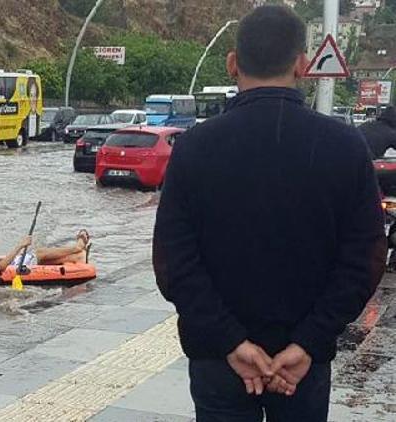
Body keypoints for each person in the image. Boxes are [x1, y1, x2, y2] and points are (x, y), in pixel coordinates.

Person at [153, 6, 385, 422]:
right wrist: (309, 344)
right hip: (302, 365)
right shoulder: (344, 147)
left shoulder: (195, 148)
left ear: (232, 64)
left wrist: (231, 342)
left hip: (217, 360)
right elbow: (364, 262)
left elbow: (174, 263)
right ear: (302, 65)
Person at [0, 229, 90, 272]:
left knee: (55, 259)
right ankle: (77, 247)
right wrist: (20, 245)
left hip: (18, 263)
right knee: (40, 253)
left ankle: (79, 256)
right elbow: (0, 267)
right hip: (17, 266)